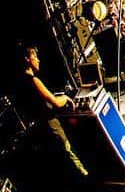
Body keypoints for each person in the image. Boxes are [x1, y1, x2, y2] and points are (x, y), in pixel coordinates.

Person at [13, 44, 88, 183]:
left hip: (41, 126)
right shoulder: (33, 80)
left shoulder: (21, 82)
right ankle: (90, 187)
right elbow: (56, 102)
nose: (38, 60)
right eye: (34, 56)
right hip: (50, 124)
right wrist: (65, 98)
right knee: (70, 154)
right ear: (27, 59)